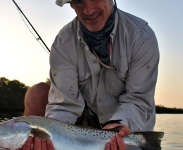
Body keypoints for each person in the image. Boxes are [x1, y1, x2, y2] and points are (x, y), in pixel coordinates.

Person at [22, 0, 159, 149]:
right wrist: (50, 136)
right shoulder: (63, 43)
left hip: (128, 124)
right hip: (82, 122)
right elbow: (64, 105)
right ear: (71, 5)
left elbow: (137, 99)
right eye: (78, 1)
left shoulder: (142, 36)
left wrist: (117, 126)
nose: (88, 10)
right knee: (37, 94)